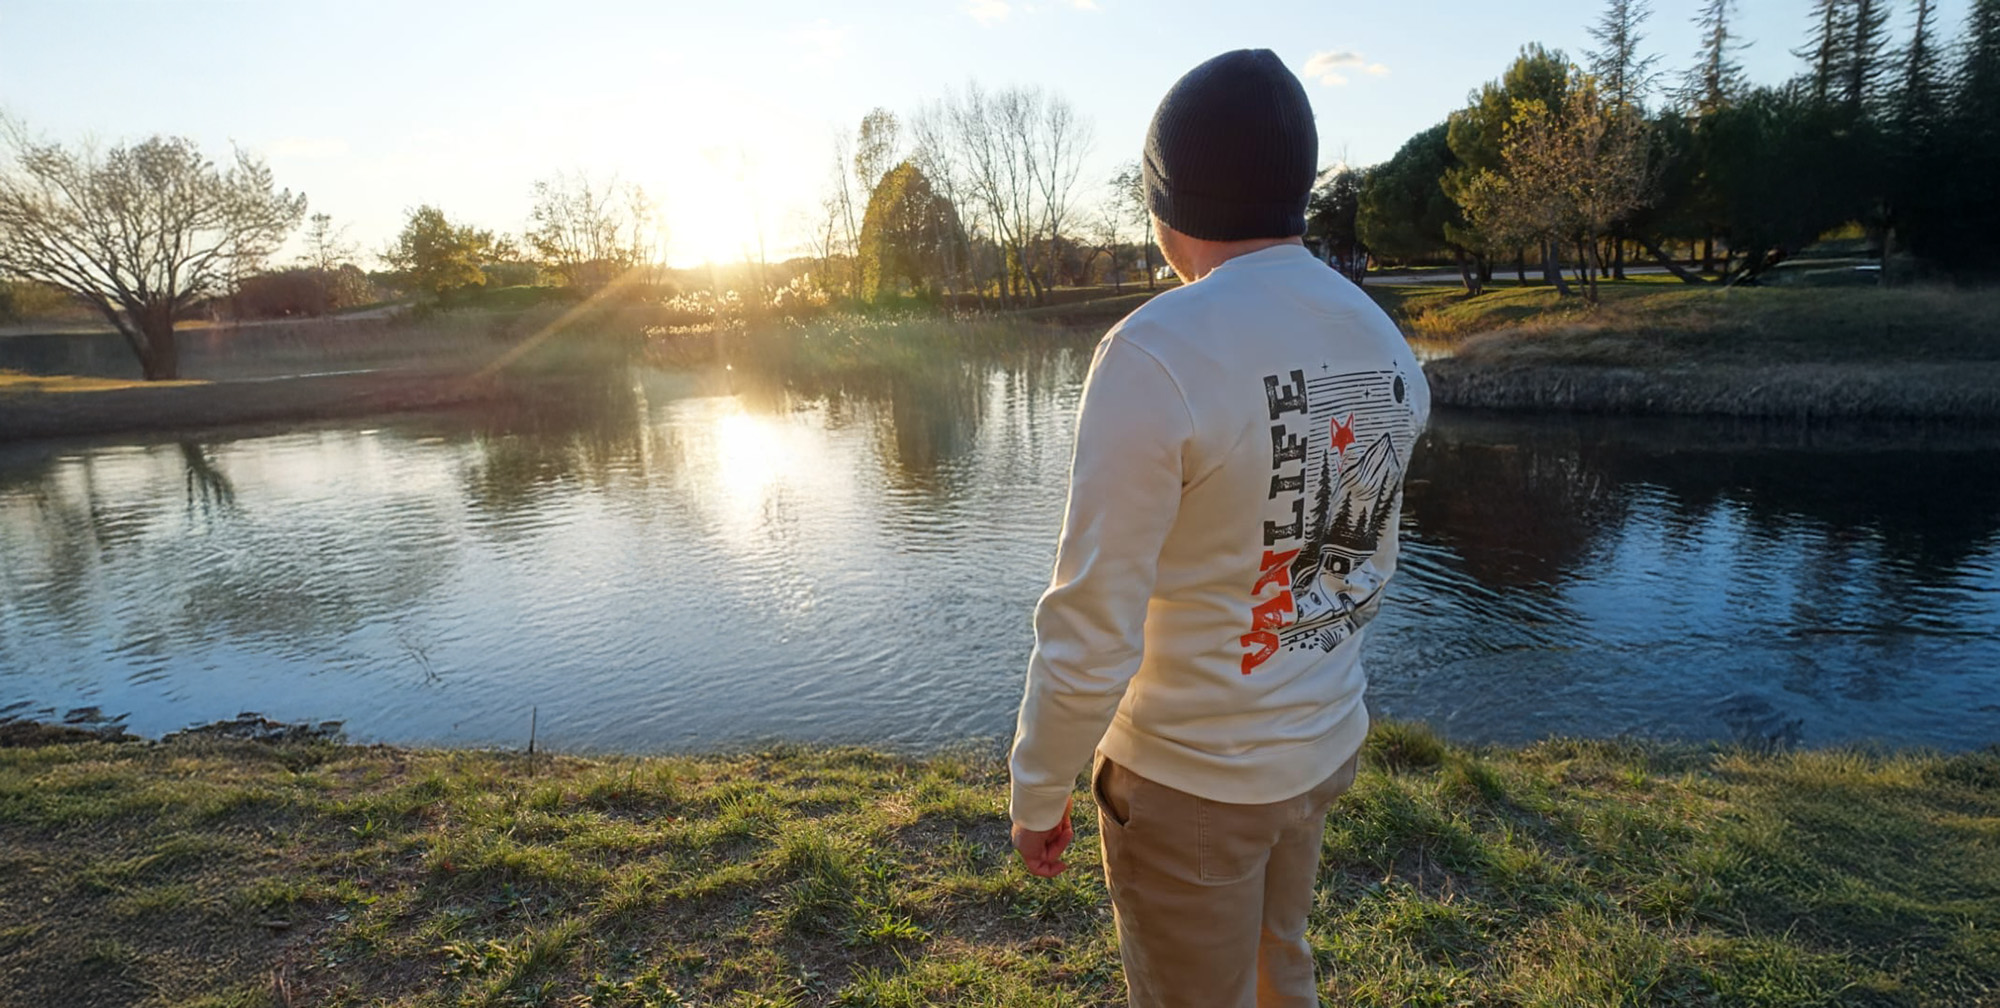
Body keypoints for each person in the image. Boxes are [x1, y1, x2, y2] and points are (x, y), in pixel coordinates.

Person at [1006, 49, 1431, 1007]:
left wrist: (1040, 787)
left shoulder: (1157, 352)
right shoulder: (1382, 341)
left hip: (1191, 777)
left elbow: (1092, 623)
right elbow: (1358, 561)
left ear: (1169, 204)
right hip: (1320, 745)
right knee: (1280, 963)